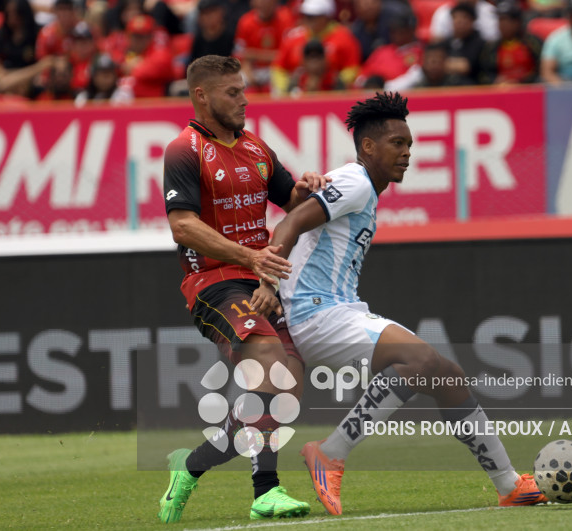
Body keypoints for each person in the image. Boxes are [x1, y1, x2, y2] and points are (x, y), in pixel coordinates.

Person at [249, 92, 548, 516]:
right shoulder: (354, 182)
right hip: (315, 313)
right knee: (425, 362)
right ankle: (330, 453)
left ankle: (508, 484)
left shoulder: (364, 188)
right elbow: (291, 221)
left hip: (337, 310)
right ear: (368, 146)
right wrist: (267, 280)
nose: (407, 153)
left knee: (448, 375)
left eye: (409, 144)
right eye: (397, 143)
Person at [158, 55, 330, 523]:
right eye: (232, 92)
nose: (243, 99)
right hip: (214, 282)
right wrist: (250, 257)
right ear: (202, 95)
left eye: (243, 90)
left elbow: (289, 197)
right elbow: (183, 226)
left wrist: (306, 187)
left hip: (259, 280)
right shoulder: (184, 150)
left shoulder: (255, 147)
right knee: (271, 368)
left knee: (286, 390)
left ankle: (189, 465)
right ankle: (265, 491)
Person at [271, 0, 362, 95]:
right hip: (297, 91)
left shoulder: (344, 37)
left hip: (332, 91)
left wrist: (335, 85)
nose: (308, 20)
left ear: (326, 16)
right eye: (306, 16)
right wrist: (286, 89)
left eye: (313, 16)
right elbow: (278, 68)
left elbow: (352, 67)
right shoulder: (293, 37)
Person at [233, 0, 296, 92]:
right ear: (252, 3)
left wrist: (254, 54)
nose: (264, 3)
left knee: (283, 85)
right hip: (254, 68)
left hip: (278, 68)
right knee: (238, 81)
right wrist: (248, 71)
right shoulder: (245, 22)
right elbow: (240, 55)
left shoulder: (286, 18)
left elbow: (287, 55)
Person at [478, 0, 542, 84]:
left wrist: (521, 82)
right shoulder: (491, 47)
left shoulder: (533, 43)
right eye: (500, 20)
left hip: (529, 89)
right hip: (500, 91)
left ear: (517, 22)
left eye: (506, 20)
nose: (502, 24)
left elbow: (542, 69)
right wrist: (494, 81)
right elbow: (482, 73)